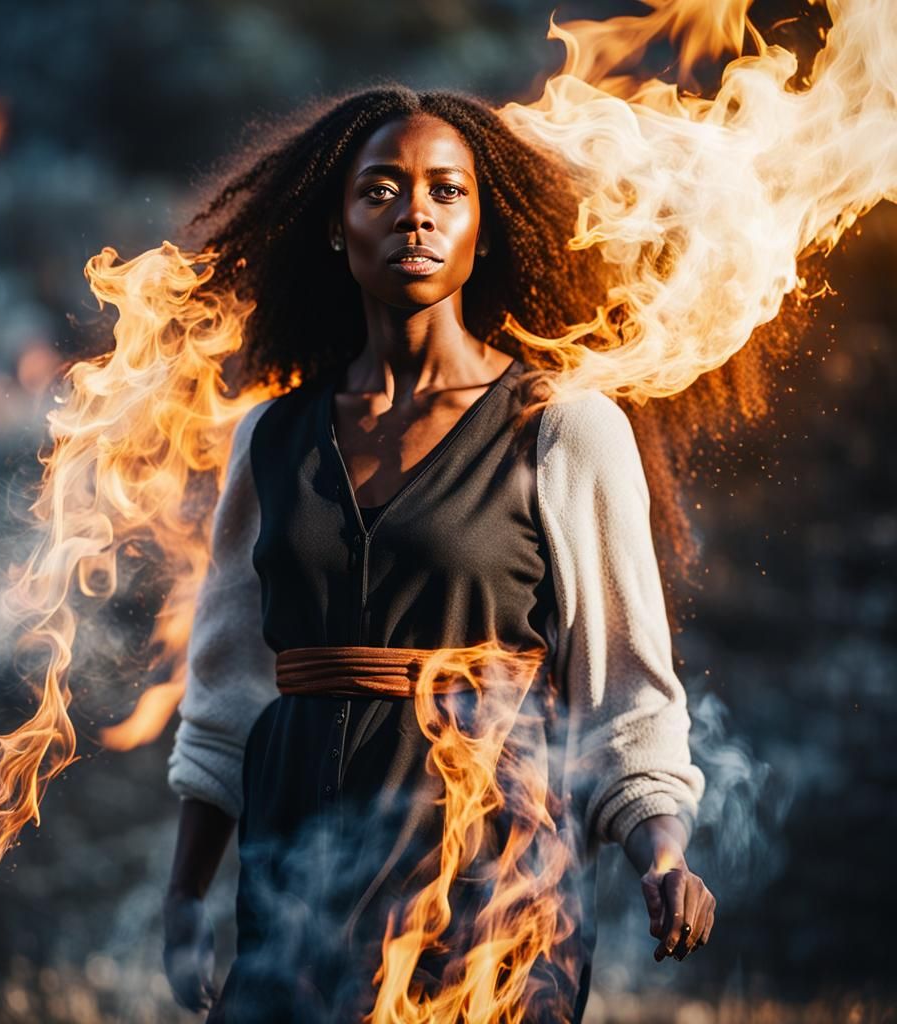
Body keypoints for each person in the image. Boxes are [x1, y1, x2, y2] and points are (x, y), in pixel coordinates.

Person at [162, 86, 714, 1024]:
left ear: (484, 230)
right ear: (336, 228)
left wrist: (664, 854)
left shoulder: (564, 429)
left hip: (489, 874)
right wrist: (185, 894)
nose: (414, 210)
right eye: (379, 189)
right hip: (295, 861)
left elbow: (627, 695)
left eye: (446, 191)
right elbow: (227, 698)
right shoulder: (271, 438)